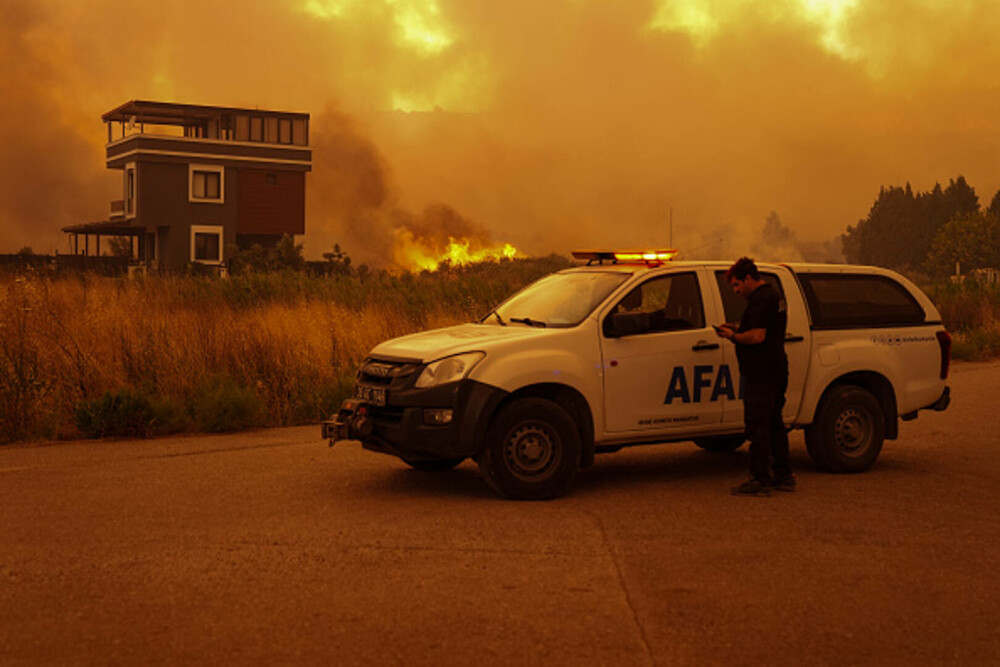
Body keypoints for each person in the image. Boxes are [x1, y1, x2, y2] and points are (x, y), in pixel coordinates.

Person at [715, 257, 796, 496]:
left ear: (749, 278)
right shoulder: (773, 295)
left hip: (761, 372)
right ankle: (784, 475)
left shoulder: (760, 300)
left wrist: (732, 337)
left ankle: (759, 479)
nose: (736, 290)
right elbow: (762, 327)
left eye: (738, 285)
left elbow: (758, 336)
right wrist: (737, 326)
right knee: (774, 423)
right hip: (776, 368)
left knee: (757, 426)